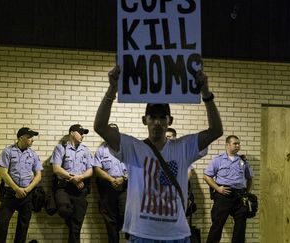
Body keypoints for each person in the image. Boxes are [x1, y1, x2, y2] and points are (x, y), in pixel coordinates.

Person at [94, 66, 223, 242]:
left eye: (162, 117)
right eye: (152, 117)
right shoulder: (133, 147)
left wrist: (206, 93)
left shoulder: (182, 147)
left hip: (176, 234)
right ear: (144, 120)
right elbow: (100, 127)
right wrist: (112, 90)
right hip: (142, 235)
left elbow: (216, 130)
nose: (157, 122)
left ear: (169, 121)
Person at [0, 127, 43, 243]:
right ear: (21, 138)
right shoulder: (8, 152)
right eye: (29, 137)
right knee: (2, 224)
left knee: (23, 226)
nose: (32, 140)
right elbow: (3, 173)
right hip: (10, 194)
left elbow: (38, 175)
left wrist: (26, 189)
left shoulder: (33, 154)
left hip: (27, 195)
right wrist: (16, 189)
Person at [203, 135, 254, 243]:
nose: (238, 146)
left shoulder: (243, 161)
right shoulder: (218, 160)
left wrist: (246, 193)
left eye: (238, 144)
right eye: (235, 143)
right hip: (224, 195)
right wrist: (218, 188)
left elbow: (250, 178)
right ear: (227, 145)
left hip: (240, 197)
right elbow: (207, 176)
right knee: (217, 224)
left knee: (241, 225)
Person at [50, 124, 94, 243]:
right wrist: (72, 178)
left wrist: (80, 177)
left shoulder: (85, 150)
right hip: (64, 187)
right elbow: (56, 168)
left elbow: (90, 170)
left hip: (80, 188)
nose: (83, 135)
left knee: (77, 224)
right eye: (81, 133)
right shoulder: (61, 148)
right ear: (72, 133)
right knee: (64, 210)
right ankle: (71, 221)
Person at [93, 123, 129, 243]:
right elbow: (97, 169)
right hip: (107, 188)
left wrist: (123, 178)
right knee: (110, 221)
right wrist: (111, 179)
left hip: (125, 186)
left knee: (125, 214)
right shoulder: (101, 150)